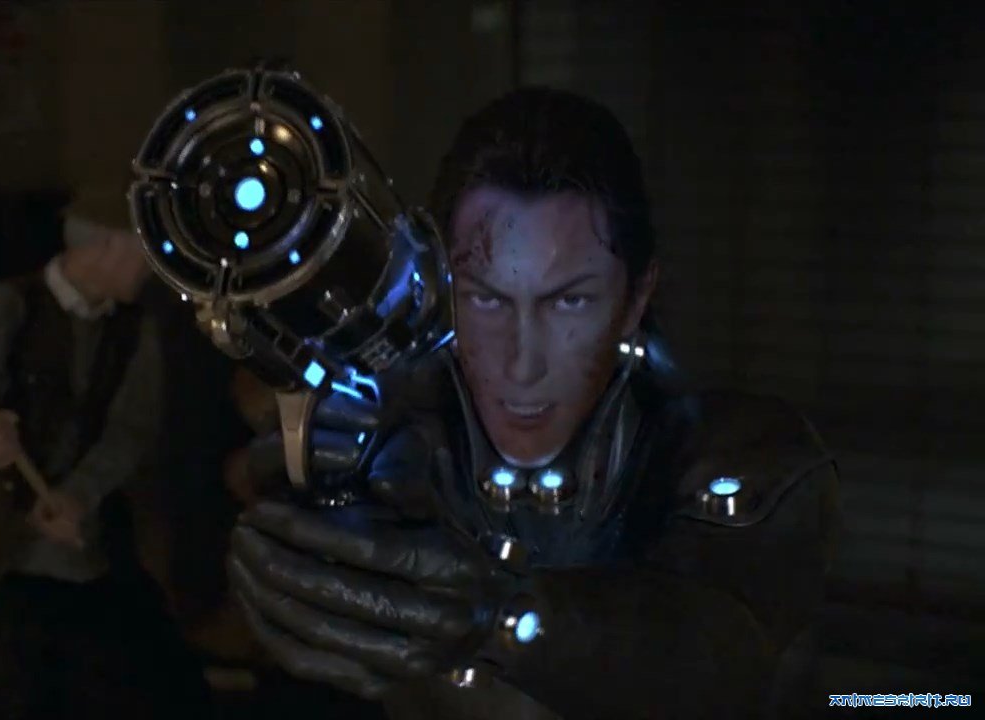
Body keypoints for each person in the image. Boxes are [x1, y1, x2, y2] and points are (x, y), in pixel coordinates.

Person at [226, 88, 841, 719]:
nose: (523, 365)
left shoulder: (739, 454)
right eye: (487, 299)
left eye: (569, 302)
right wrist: (293, 551)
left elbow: (719, 662)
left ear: (636, 298)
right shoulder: (398, 437)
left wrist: (499, 617)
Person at [0, 188, 217, 719]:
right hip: (6, 535)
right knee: (28, 680)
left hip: (91, 533)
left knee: (148, 670)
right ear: (109, 247)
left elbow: (131, 430)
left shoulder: (136, 328)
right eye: (145, 252)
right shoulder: (8, 307)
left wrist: (79, 495)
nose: (153, 268)